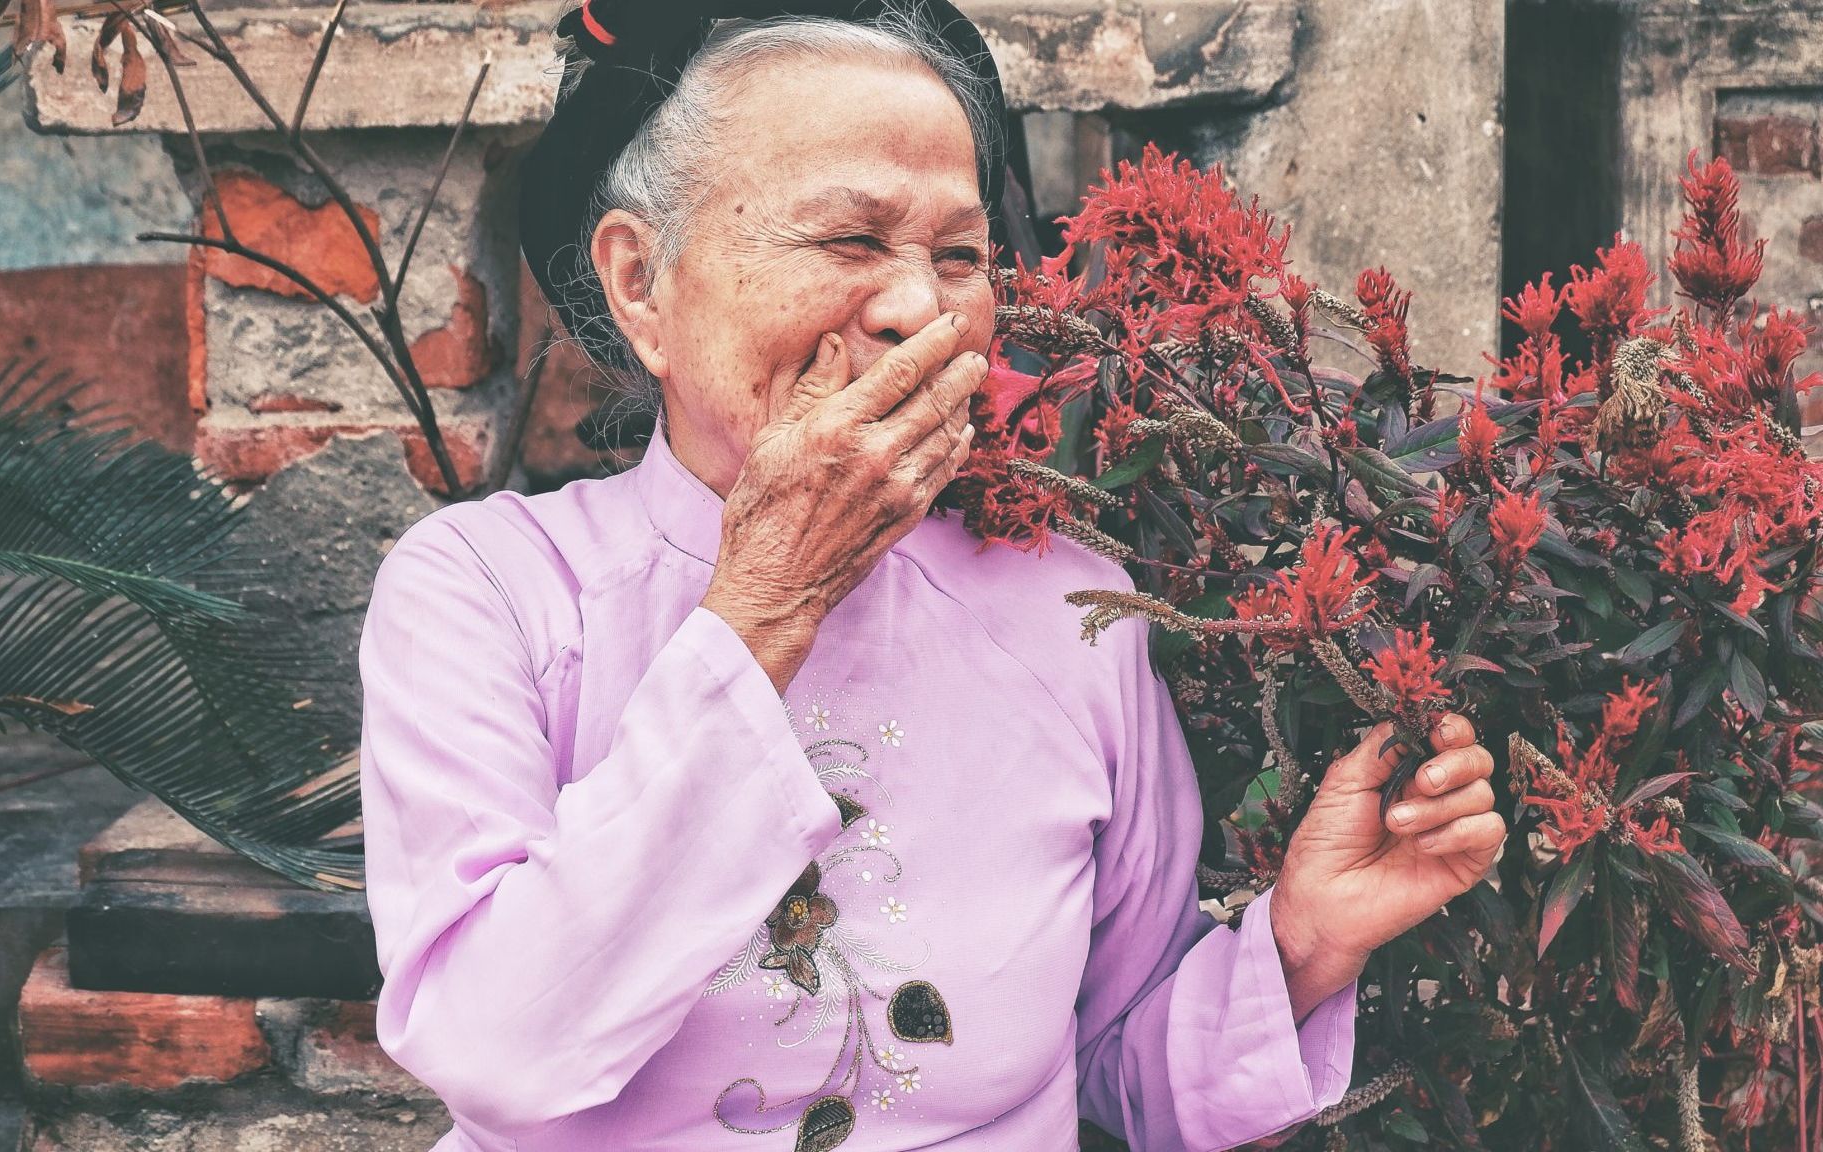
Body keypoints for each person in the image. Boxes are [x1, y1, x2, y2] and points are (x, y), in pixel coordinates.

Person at [356, 3, 1509, 1149]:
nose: (919, 308)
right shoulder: (491, 591)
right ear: (641, 281)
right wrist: (766, 605)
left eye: (958, 256)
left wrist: (1304, 943)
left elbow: (1113, 1064)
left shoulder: (1069, 617)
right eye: (847, 240)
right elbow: (495, 1048)